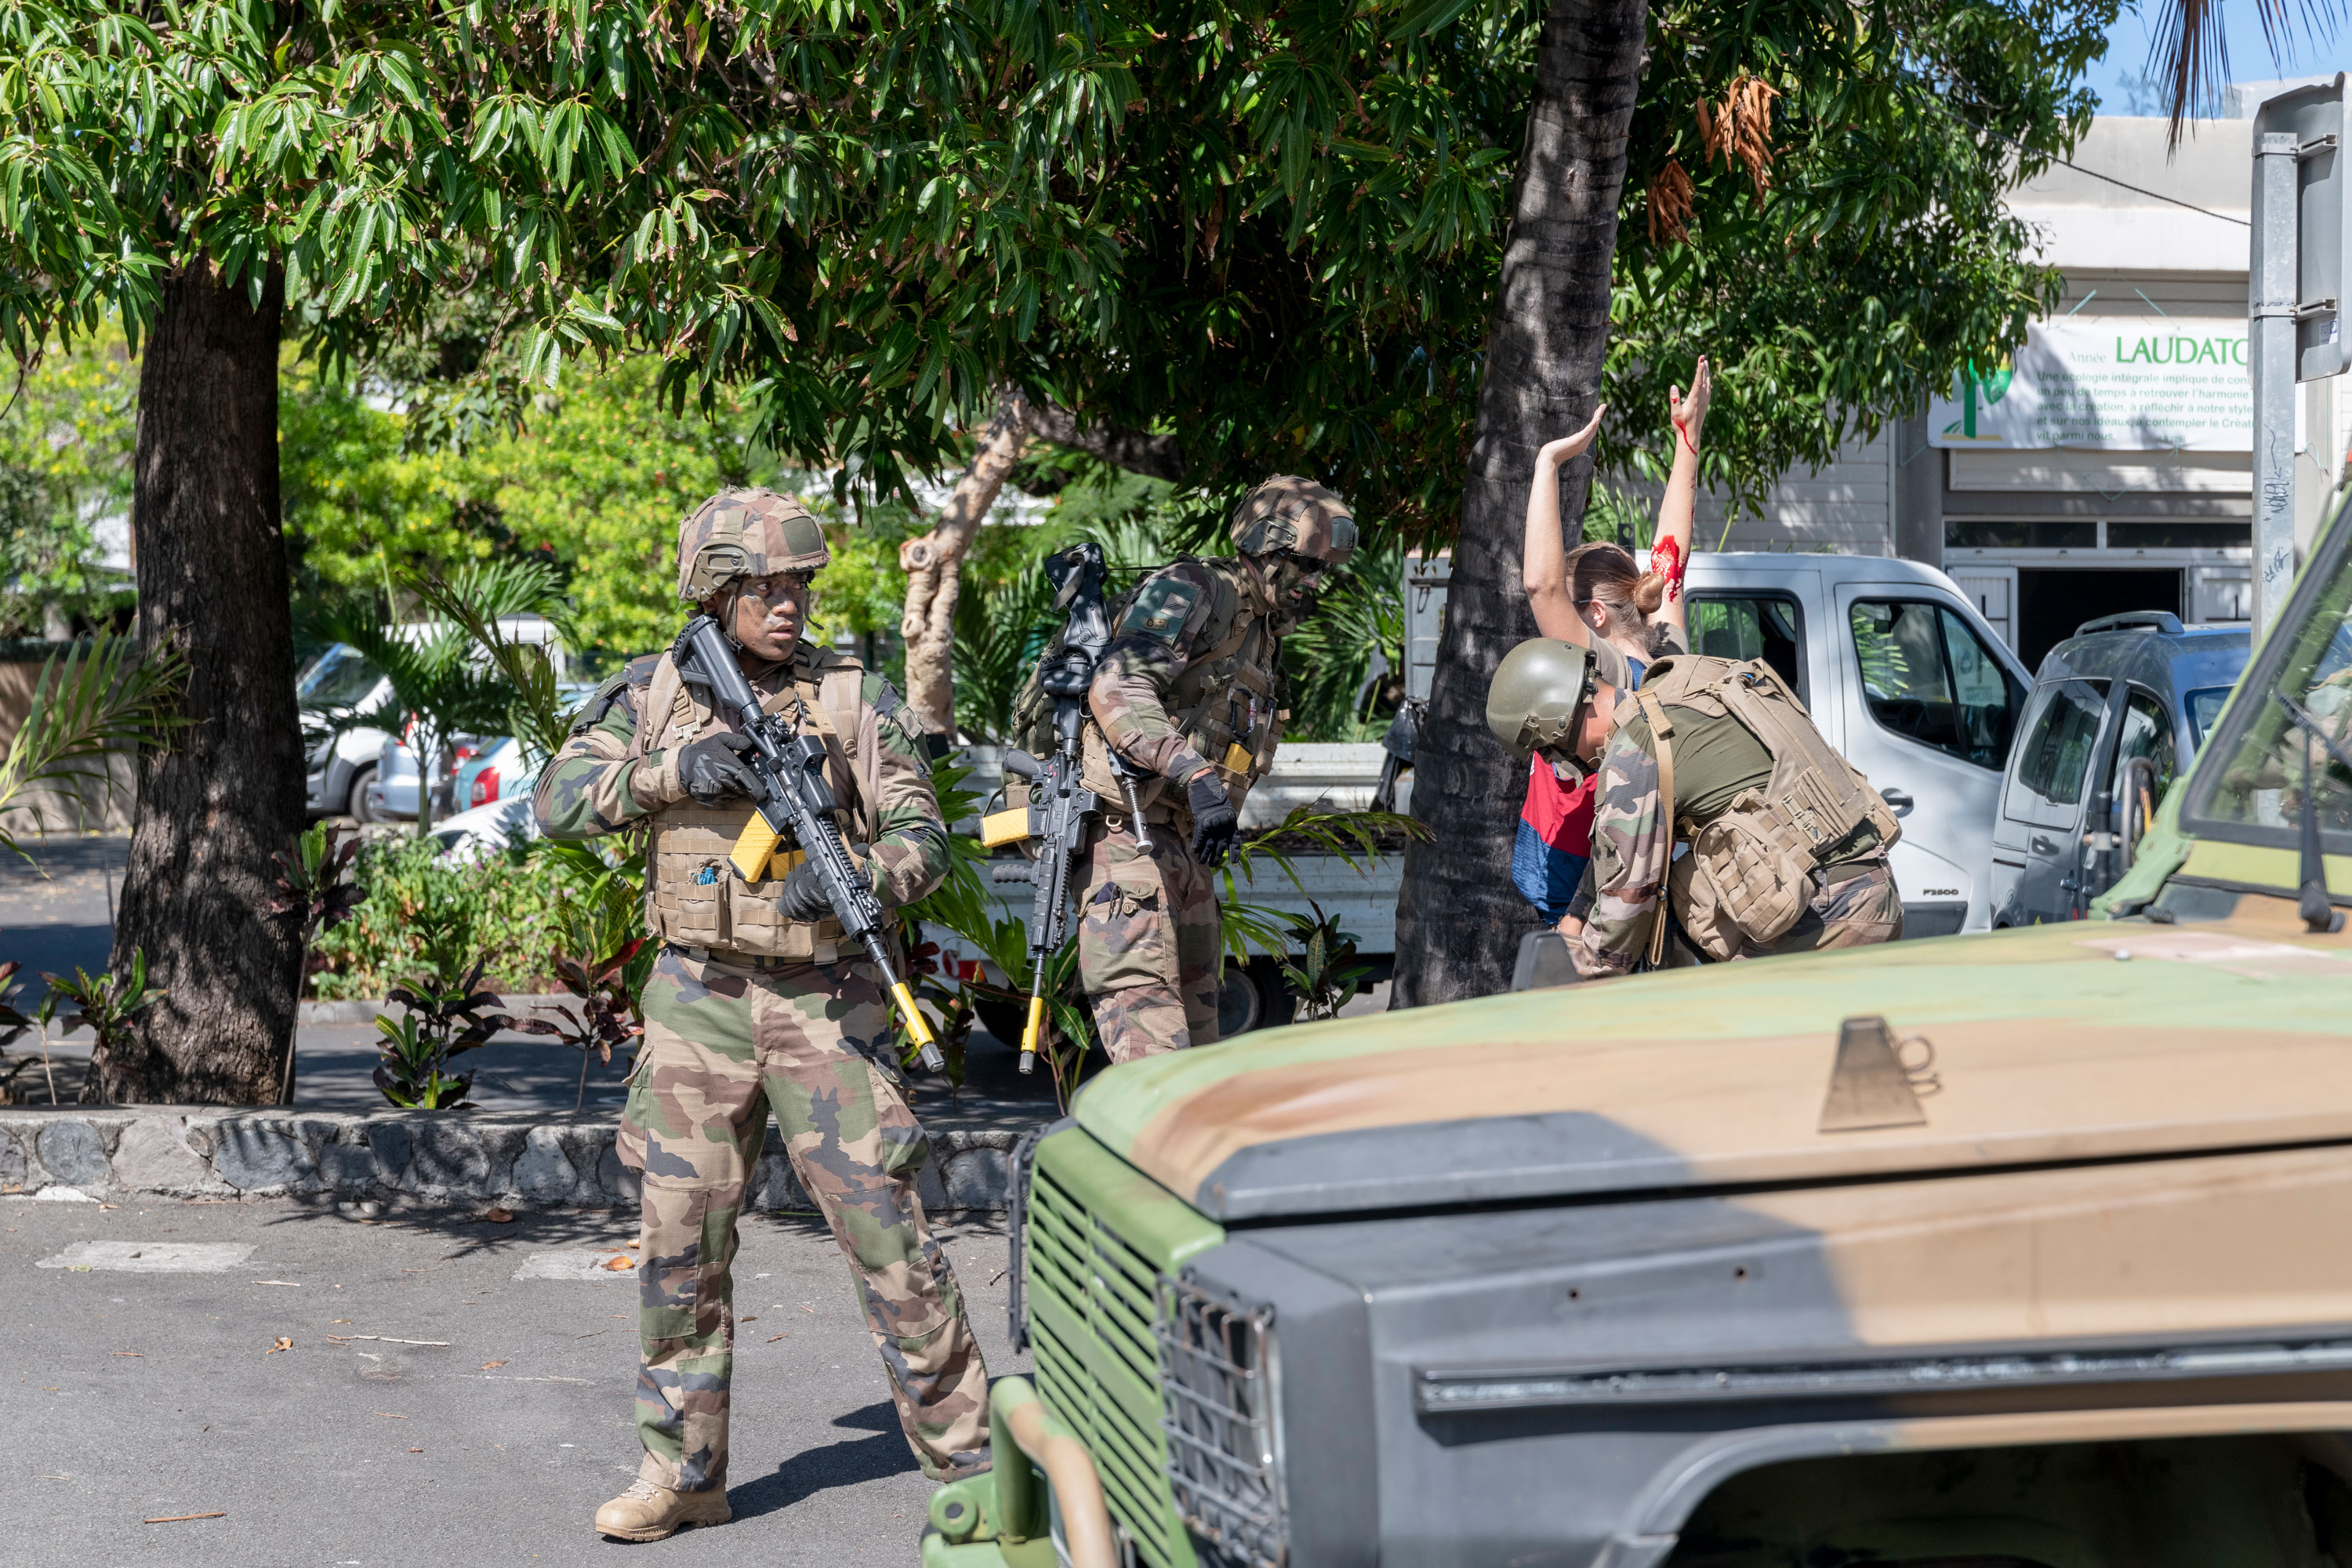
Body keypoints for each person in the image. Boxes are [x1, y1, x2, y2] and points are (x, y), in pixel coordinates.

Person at [535, 488, 989, 1544]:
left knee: (887, 1231)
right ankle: (683, 1473)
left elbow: (925, 829)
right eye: (764, 588)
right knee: (678, 1242)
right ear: (716, 590)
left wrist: (866, 879)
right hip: (697, 999)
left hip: (823, 1000)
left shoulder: (846, 698)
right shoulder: (650, 694)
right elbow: (554, 802)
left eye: (798, 586)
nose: (788, 605)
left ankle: (969, 1456)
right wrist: (670, 771)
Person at [1077, 475, 1356, 1062]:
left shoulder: (1259, 631)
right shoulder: (1196, 589)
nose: (1314, 582)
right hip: (1126, 837)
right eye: (1306, 566)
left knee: (1202, 1051)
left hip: (1182, 844)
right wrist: (1195, 775)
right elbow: (1118, 684)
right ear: (1267, 549)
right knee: (1152, 1054)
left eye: (1321, 571)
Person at [1486, 627, 1906, 978]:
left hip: (1825, 914)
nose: (1565, 763)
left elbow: (1627, 904)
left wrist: (1578, 979)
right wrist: (1576, 915)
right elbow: (1616, 854)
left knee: (1722, 1042)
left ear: (1556, 724)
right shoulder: (1681, 683)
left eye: (1552, 751)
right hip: (1864, 886)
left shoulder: (1635, 749)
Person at [1512, 361, 1711, 935]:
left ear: (1595, 615)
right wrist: (1687, 439)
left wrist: (1548, 463)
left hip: (1577, 899)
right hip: (1635, 890)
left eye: (1569, 614)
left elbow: (1540, 584)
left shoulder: (1601, 671)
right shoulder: (1664, 653)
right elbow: (1670, 554)